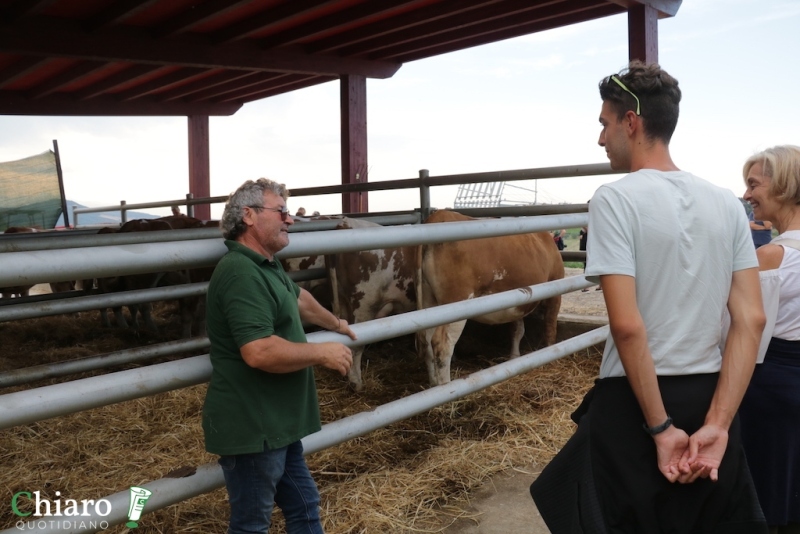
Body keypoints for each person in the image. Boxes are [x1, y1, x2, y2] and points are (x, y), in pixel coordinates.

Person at [530, 61, 768, 533]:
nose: (600, 138)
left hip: (637, 399)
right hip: (711, 392)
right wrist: (718, 424)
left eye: (604, 123)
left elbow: (627, 325)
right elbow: (751, 320)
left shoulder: (615, 200)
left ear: (631, 122)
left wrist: (659, 429)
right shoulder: (726, 202)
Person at [202, 178, 357, 533]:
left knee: (304, 506)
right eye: (282, 211)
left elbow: (299, 299)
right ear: (249, 216)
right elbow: (258, 351)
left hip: (278, 424)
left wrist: (336, 322)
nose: (289, 219)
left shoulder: (266, 266)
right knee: (252, 525)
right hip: (255, 424)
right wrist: (321, 353)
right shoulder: (241, 272)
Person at [738, 145, 800, 534]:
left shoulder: (773, 257)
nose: (746, 195)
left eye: (753, 184)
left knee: (766, 498)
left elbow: (737, 329)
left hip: (771, 390)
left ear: (783, 186)